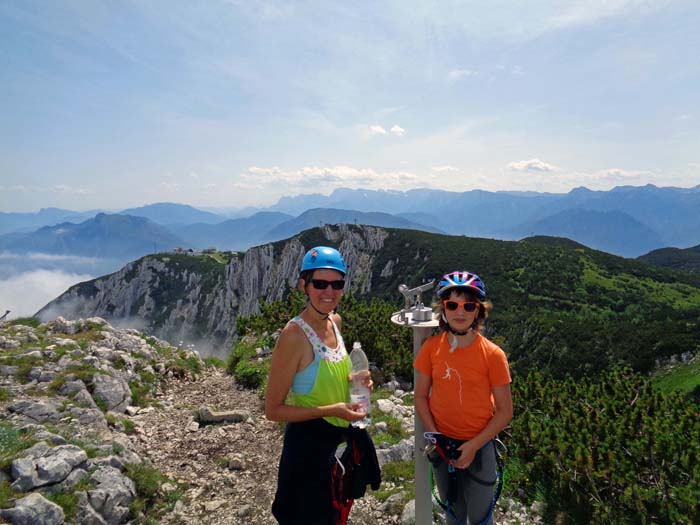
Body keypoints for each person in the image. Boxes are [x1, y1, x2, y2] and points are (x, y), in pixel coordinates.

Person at [266, 246, 374, 525]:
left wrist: (356, 382)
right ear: (304, 285)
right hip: (307, 449)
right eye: (320, 283)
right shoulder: (294, 335)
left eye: (337, 283)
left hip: (337, 444)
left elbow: (330, 375)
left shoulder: (334, 322)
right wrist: (333, 409)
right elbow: (273, 410)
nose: (329, 291)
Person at [414, 271, 513, 525]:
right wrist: (436, 437)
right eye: (452, 305)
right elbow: (421, 397)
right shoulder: (431, 348)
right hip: (443, 444)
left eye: (469, 305)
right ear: (443, 309)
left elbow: (504, 412)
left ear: (478, 311)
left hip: (479, 445)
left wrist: (472, 446)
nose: (460, 312)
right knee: (453, 512)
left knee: (480, 518)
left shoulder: (493, 355)